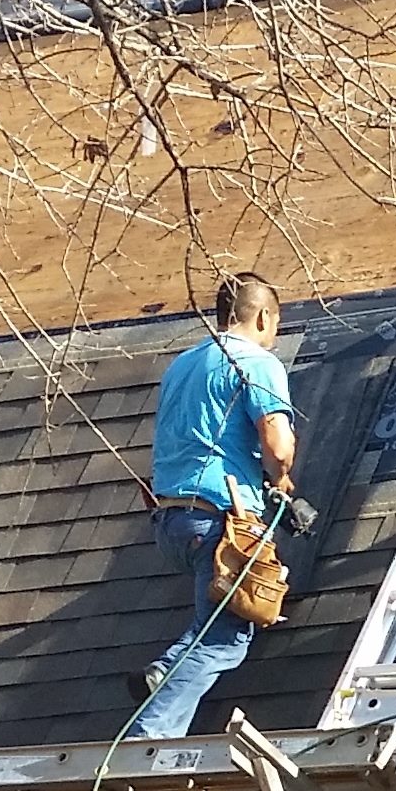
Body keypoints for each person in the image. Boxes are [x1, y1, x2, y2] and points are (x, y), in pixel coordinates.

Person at [127, 275, 297, 740]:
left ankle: (165, 674)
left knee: (212, 625)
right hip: (219, 519)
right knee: (224, 637)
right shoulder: (255, 362)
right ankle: (150, 735)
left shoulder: (182, 365)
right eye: (274, 324)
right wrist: (280, 478)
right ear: (263, 316)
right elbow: (277, 445)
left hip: (172, 520)